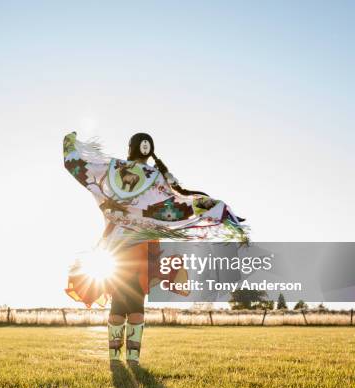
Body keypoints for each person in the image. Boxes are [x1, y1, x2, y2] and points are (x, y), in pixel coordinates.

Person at [63, 131, 247, 366]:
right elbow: (173, 203)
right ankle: (124, 358)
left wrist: (70, 146)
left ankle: (122, 358)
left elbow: (80, 167)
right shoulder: (139, 173)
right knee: (129, 301)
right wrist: (210, 207)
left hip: (127, 246)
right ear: (142, 149)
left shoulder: (134, 172)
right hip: (130, 246)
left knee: (126, 302)